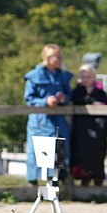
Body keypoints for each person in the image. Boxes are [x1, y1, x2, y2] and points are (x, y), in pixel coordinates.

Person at [23, 43, 73, 184]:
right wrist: (45, 101)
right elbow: (29, 99)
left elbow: (69, 95)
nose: (58, 59)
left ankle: (55, 183)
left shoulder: (62, 75)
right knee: (37, 151)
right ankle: (33, 184)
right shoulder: (34, 76)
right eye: (55, 57)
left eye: (59, 56)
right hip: (40, 121)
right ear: (47, 57)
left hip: (58, 120)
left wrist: (63, 98)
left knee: (58, 149)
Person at [70, 64, 107, 186]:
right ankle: (84, 183)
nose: (86, 79)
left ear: (93, 77)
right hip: (81, 133)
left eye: (89, 76)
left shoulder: (101, 93)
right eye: (83, 76)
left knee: (97, 159)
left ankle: (98, 186)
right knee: (81, 159)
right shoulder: (76, 92)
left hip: (99, 133)